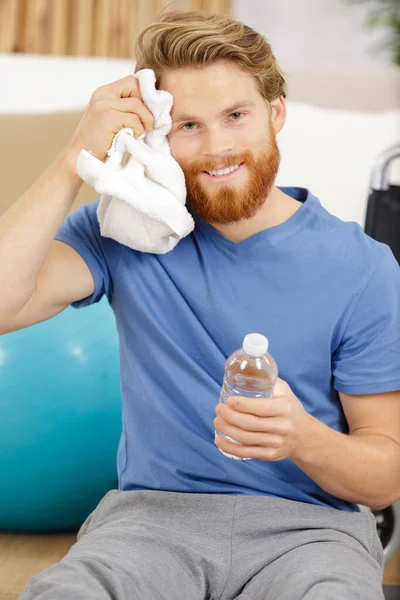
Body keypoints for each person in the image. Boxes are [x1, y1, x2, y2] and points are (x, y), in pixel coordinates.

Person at [1, 10, 399, 600]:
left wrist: (301, 437)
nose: (216, 149)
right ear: (158, 133)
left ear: (277, 113)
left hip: (310, 536)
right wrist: (76, 156)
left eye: (235, 116)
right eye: (188, 125)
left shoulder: (362, 268)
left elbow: (384, 478)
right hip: (149, 525)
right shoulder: (125, 235)